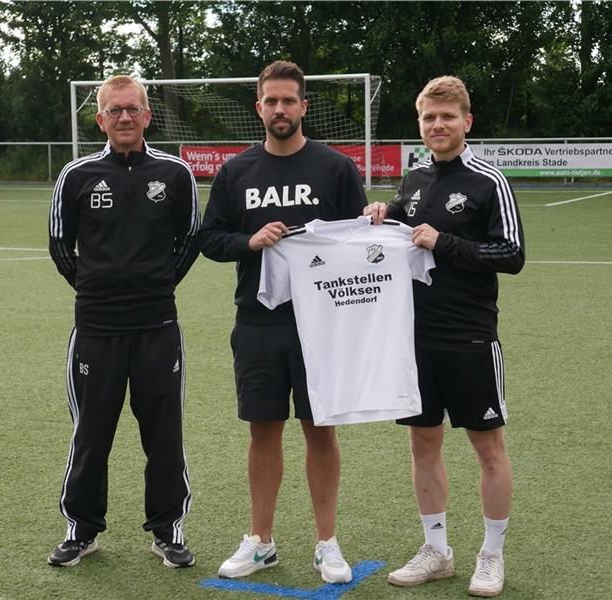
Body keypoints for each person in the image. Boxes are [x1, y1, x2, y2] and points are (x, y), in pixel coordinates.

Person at [199, 60, 367, 584]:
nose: (279, 109)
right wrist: (249, 241)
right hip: (258, 322)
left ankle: (326, 543)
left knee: (321, 430)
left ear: (303, 107)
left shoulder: (336, 168)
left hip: (321, 325)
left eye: (288, 101)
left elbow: (360, 240)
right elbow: (209, 239)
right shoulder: (236, 172)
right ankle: (262, 541)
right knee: (263, 430)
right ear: (258, 108)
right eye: (270, 101)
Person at [365, 75, 524, 597]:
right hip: (414, 338)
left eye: (447, 117)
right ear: (420, 123)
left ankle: (491, 555)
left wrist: (446, 243)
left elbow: (513, 255)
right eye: (429, 118)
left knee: (488, 447)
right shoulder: (413, 179)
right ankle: (437, 550)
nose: (438, 125)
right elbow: (404, 232)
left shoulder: (488, 181)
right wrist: (384, 214)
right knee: (422, 442)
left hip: (470, 336)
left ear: (466, 121)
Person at [47, 75, 200, 569]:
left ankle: (167, 530)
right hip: (96, 330)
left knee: (164, 434)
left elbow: (189, 240)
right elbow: (59, 244)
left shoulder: (174, 174)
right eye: (115, 111)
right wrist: (96, 289)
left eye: (133, 109)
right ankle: (81, 530)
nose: (125, 118)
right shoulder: (77, 175)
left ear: (148, 115)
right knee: (91, 434)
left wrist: (155, 286)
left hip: (158, 327)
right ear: (100, 120)